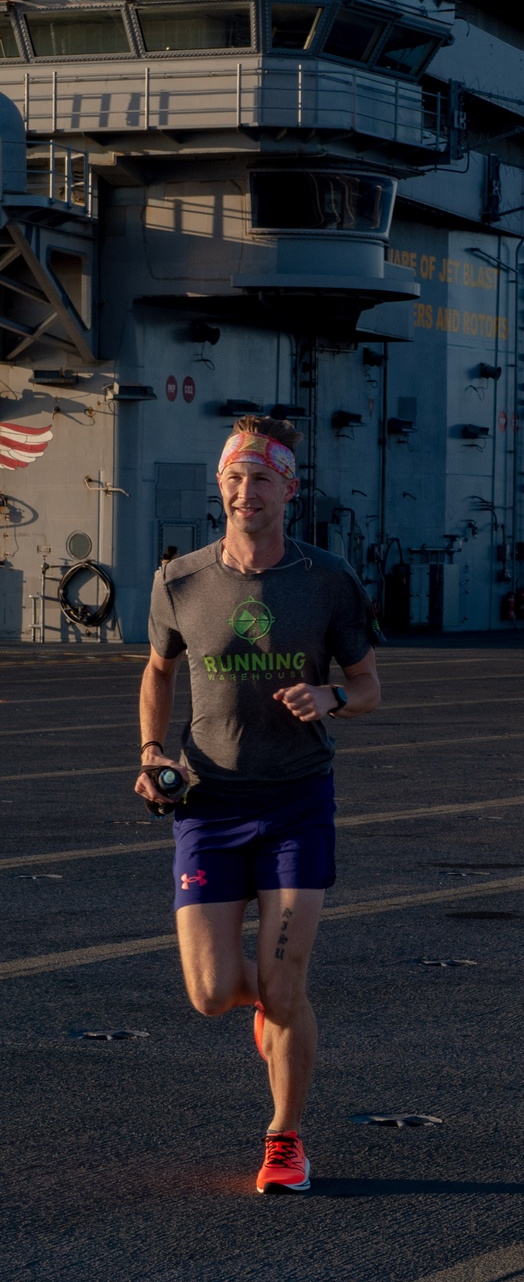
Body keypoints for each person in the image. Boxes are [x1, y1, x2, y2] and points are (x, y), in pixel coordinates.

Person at [134, 415, 380, 1194]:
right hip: (206, 804)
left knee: (285, 986)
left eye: (262, 479)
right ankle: (269, 1013)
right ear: (221, 486)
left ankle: (285, 1139)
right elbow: (157, 670)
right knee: (210, 995)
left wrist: (331, 695)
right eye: (235, 479)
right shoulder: (178, 580)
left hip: (296, 803)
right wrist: (150, 753)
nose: (247, 492)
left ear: (288, 489)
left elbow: (370, 688)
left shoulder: (327, 578)